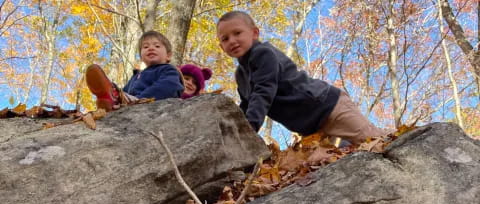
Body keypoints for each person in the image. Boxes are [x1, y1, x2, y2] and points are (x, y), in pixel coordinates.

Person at [216, 11, 385, 144]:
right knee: (337, 161)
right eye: (225, 39)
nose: (232, 40)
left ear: (254, 33)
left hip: (328, 108)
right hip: (311, 128)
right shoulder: (240, 75)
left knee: (375, 142)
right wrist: (237, 129)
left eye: (237, 33)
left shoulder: (262, 54)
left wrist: (248, 131)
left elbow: (263, 91)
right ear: (221, 46)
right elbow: (246, 105)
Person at [86, 31, 184, 111]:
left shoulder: (168, 69)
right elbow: (124, 92)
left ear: (168, 55)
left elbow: (169, 86)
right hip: (129, 103)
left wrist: (140, 100)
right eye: (145, 47)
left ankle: (109, 99)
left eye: (157, 46)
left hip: (149, 104)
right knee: (116, 92)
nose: (151, 48)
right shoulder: (136, 76)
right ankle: (108, 97)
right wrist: (119, 93)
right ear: (141, 57)